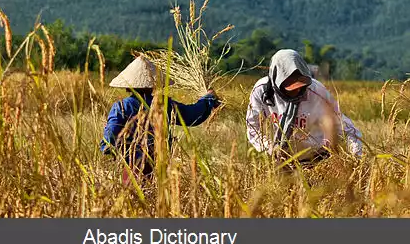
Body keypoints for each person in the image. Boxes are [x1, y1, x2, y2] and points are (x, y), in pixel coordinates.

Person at [100, 55, 220, 183]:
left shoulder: (121, 107)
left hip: (131, 172)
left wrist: (118, 150)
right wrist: (208, 99)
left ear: (128, 86)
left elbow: (108, 143)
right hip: (160, 171)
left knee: (133, 200)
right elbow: (192, 116)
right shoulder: (163, 104)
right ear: (154, 85)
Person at [245, 49, 362, 168]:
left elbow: (347, 130)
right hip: (281, 161)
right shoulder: (262, 92)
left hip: (318, 160)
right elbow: (253, 127)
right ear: (277, 81)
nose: (297, 91)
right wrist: (269, 147)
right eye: (291, 87)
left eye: (301, 86)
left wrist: (356, 160)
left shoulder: (317, 93)